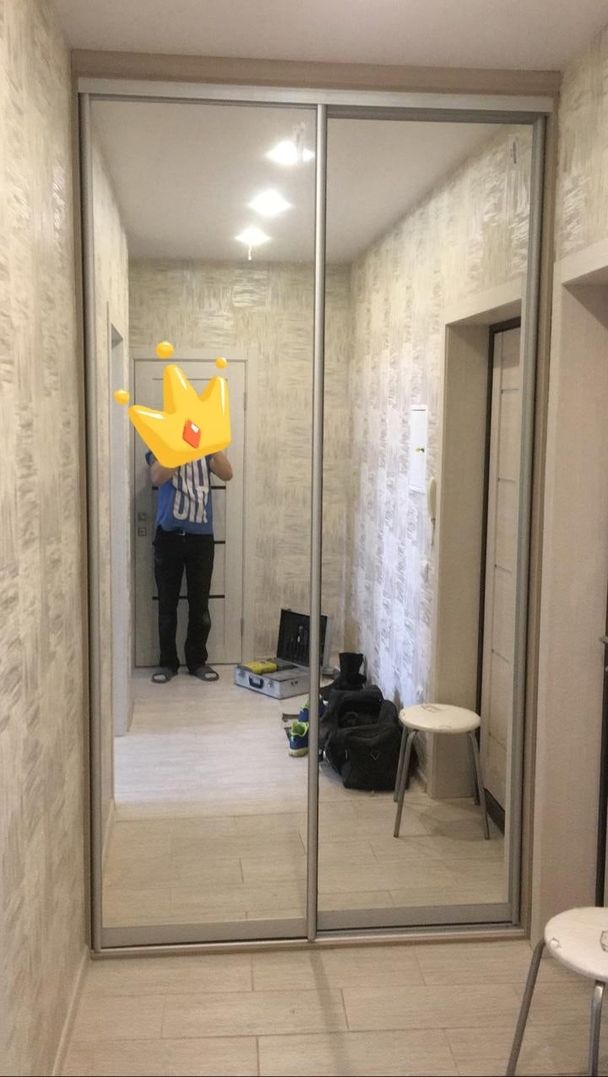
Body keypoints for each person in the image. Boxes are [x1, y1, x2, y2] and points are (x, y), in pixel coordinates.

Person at [146, 449, 233, 684]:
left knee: (200, 605)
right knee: (167, 605)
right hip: (169, 537)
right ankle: (167, 663)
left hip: (201, 539)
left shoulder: (206, 447)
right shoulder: (163, 443)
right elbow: (157, 476)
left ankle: (197, 662)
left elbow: (227, 473)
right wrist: (180, 446)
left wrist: (211, 446)